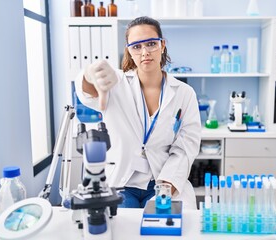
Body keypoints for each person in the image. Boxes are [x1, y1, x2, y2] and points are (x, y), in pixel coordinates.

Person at [75, 16, 201, 209]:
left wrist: (168, 185)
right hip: (122, 183)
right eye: (136, 46)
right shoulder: (116, 83)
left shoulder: (184, 93)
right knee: (125, 226)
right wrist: (88, 75)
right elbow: (88, 92)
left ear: (162, 45)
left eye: (151, 43)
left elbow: (186, 146)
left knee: (165, 227)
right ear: (129, 51)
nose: (145, 52)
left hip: (162, 180)